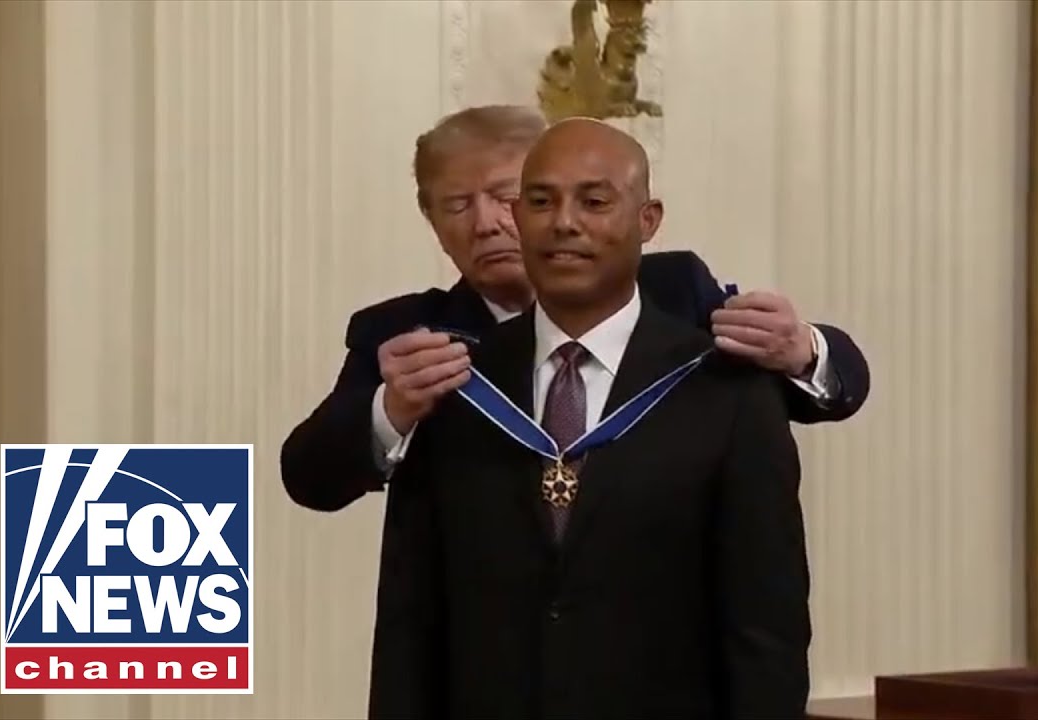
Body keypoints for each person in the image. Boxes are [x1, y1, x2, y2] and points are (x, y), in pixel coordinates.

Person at [376, 117, 811, 719]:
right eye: (539, 201)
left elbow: (767, 626)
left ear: (647, 220)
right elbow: (409, 619)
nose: (564, 222)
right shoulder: (455, 387)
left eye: (595, 201)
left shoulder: (725, 390)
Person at [281, 105, 868, 513]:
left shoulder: (671, 293)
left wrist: (802, 351)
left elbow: (832, 390)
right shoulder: (410, 336)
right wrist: (392, 409)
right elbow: (309, 478)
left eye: (508, 198)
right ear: (430, 220)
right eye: (457, 205)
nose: (486, 223)